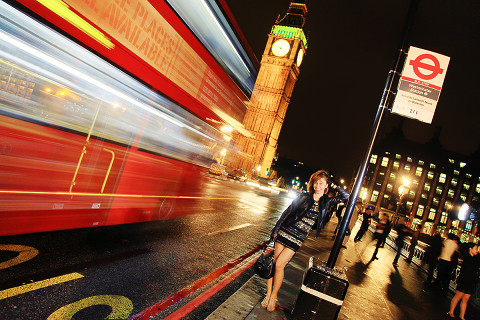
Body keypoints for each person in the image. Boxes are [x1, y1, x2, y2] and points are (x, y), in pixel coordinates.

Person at [263, 170, 350, 312]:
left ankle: (274, 296)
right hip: (286, 231)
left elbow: (346, 196)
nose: (317, 185)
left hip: (298, 238)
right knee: (274, 264)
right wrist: (276, 229)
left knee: (280, 264)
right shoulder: (304, 196)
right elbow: (288, 212)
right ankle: (268, 295)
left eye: (321, 183)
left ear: (326, 185)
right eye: (316, 182)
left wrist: (335, 185)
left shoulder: (326, 201)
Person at [448, 242, 480, 320]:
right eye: (475, 249)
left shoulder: (475, 258)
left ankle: (462, 315)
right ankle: (451, 311)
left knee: (465, 299)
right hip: (464, 279)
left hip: (471, 281)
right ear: (470, 249)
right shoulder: (467, 257)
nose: (477, 250)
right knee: (458, 296)